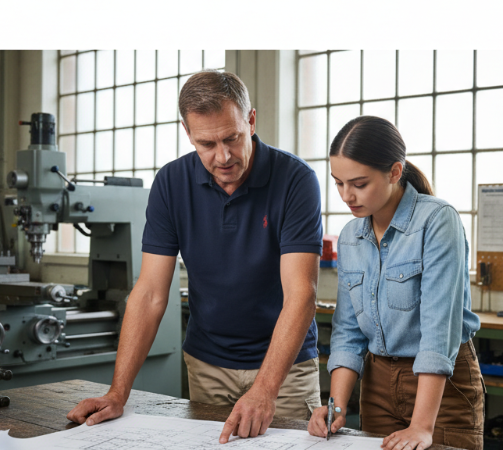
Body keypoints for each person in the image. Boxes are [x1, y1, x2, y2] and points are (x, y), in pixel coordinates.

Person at [67, 70, 324, 444]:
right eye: (206, 143)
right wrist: (118, 392)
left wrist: (266, 389)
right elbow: (151, 294)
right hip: (207, 365)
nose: (223, 157)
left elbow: (302, 294)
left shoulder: (296, 180)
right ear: (188, 133)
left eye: (232, 138)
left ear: (250, 120)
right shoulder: (171, 184)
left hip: (286, 369)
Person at [307, 116, 484, 450]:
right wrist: (336, 407)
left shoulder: (437, 220)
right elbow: (348, 332)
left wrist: (421, 426)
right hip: (377, 385)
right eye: (338, 183)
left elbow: (439, 330)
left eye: (359, 184)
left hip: (441, 386)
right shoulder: (350, 237)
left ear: (394, 172)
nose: (347, 195)